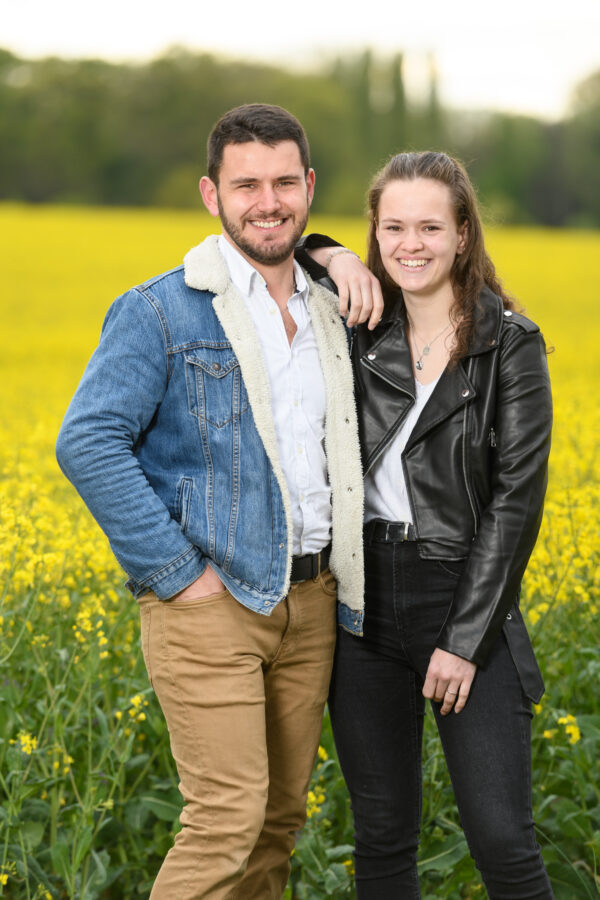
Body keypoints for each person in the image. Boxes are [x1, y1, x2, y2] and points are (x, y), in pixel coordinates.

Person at [55, 103, 383, 900]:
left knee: (277, 822)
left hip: (313, 605)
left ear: (309, 188)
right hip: (211, 602)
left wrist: (336, 254)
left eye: (282, 182)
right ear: (212, 195)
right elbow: (87, 442)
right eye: (245, 185)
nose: (265, 201)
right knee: (227, 818)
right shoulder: (160, 309)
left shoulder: (335, 307)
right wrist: (178, 575)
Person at [299, 151, 554, 898]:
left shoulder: (510, 342)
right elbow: (282, 243)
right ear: (375, 235)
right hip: (363, 603)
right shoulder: (360, 325)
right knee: (381, 838)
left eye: (431, 227)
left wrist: (464, 641)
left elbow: (517, 501)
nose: (412, 244)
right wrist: (333, 251)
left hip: (464, 593)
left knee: (503, 840)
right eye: (393, 228)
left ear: (464, 234)